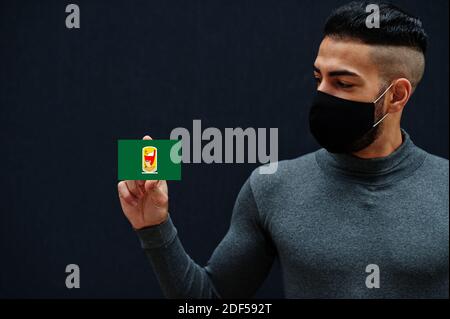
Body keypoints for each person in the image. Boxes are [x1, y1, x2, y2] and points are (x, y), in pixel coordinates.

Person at [117, 1, 448, 298]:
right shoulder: (273, 185)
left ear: (397, 95)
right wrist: (154, 226)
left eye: (343, 83)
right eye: (319, 77)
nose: (323, 94)